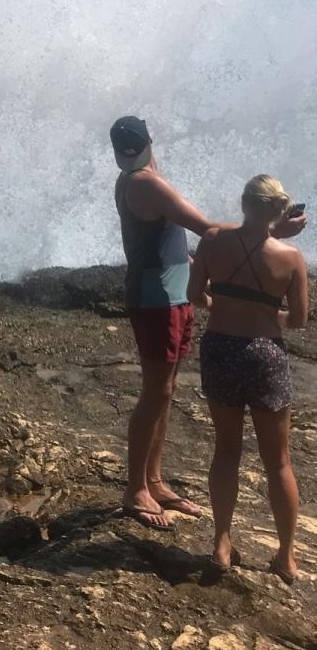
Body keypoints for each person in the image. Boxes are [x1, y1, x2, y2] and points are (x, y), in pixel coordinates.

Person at [187, 175, 308, 582]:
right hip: (265, 354)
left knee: (226, 451)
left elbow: (195, 295)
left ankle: (222, 545)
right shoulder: (291, 257)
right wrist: (267, 313)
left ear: (243, 203)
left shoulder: (212, 241)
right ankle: (286, 556)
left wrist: (220, 304)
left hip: (220, 348)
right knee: (278, 461)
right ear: (280, 211)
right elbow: (299, 320)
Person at [110, 115, 217, 529]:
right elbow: (208, 230)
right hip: (155, 299)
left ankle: (153, 480)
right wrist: (270, 230)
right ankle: (135, 488)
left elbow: (165, 240)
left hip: (172, 294)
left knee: (165, 390)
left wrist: (194, 277)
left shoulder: (136, 178)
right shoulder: (143, 183)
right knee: (155, 392)